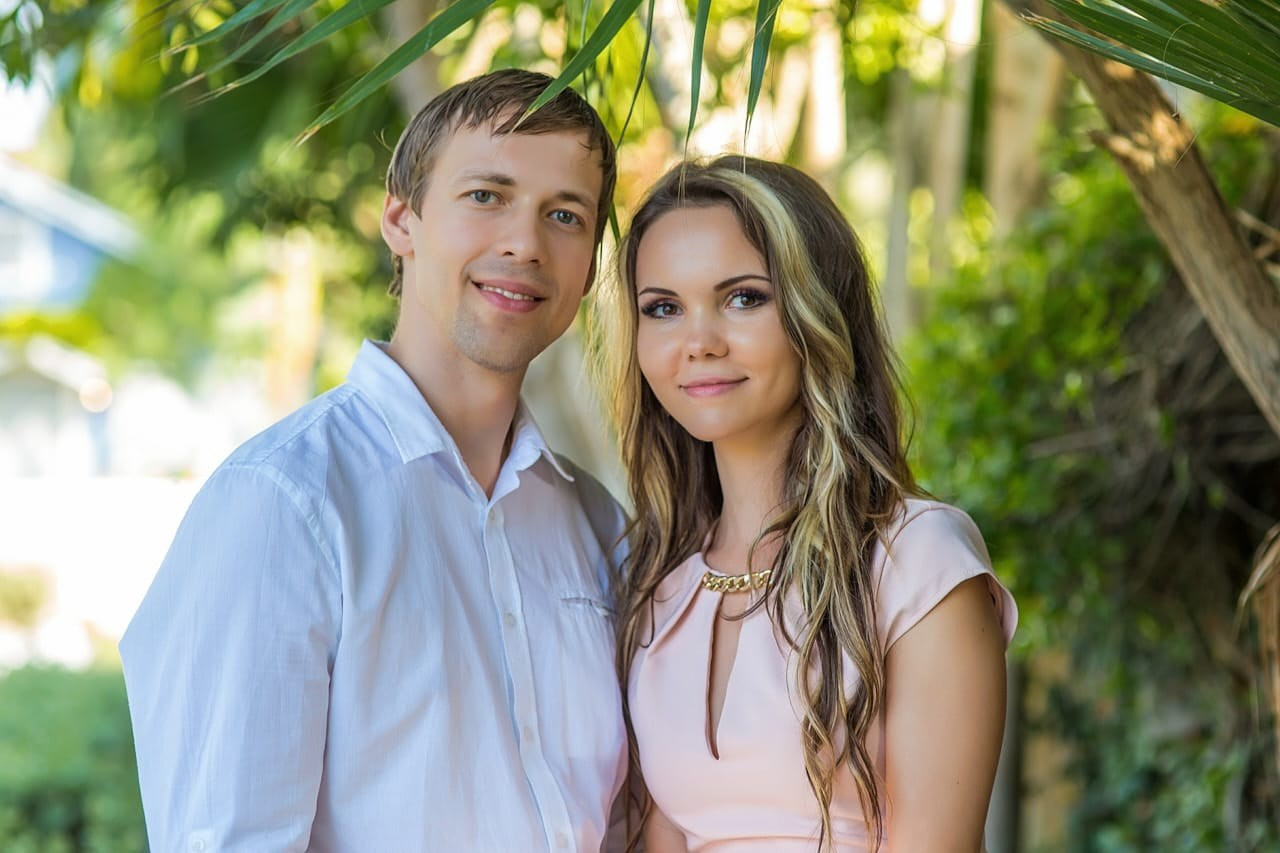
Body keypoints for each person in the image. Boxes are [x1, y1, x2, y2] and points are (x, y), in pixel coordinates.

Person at [120, 69, 629, 852]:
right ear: (401, 217)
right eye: (486, 196)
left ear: (590, 264)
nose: (525, 243)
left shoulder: (596, 523)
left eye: (564, 214)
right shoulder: (282, 504)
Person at [598, 156, 1018, 851]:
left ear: (817, 311)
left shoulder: (918, 560)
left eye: (743, 297)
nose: (698, 342)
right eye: (663, 308)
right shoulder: (655, 582)